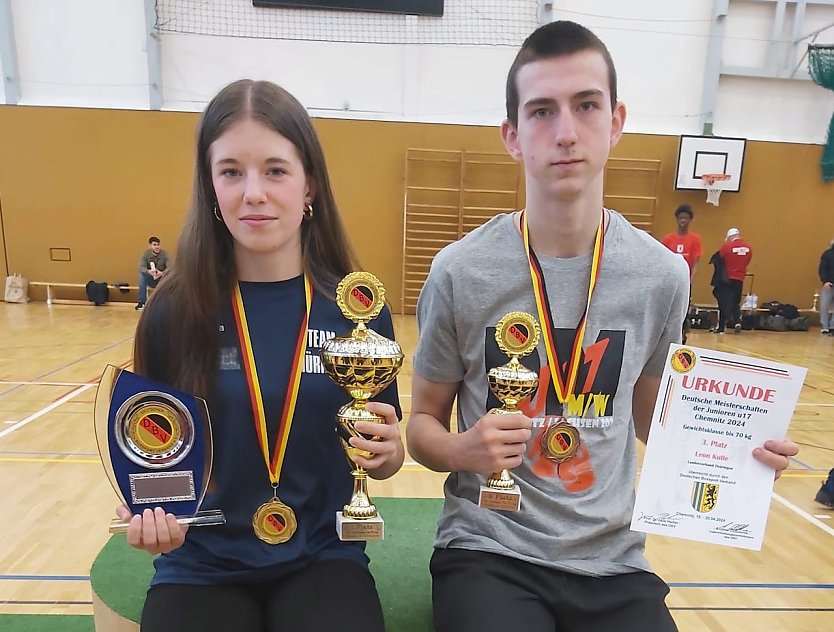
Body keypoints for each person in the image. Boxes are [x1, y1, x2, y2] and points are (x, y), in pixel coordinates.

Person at [406, 21, 799, 632]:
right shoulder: (462, 271)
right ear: (512, 136)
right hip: (491, 550)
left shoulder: (662, 275)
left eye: (585, 106)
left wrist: (733, 449)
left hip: (614, 561)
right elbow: (421, 425)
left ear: (615, 121)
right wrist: (462, 448)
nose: (565, 132)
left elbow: (650, 417)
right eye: (541, 112)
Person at [117, 80, 404, 632]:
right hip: (200, 564)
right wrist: (150, 514)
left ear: (309, 183)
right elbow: (151, 456)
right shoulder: (172, 311)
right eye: (231, 171)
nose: (253, 192)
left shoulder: (358, 309)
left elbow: (382, 457)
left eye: (275, 170)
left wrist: (386, 454)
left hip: (324, 557)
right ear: (210, 185)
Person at [661, 203, 702, 342]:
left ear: (690, 220)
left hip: (685, 282)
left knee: (683, 310)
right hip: (670, 281)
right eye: (681, 218)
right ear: (677, 219)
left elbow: (696, 262)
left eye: (686, 218)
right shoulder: (668, 239)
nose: (683, 221)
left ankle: (682, 333)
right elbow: (663, 260)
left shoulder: (695, 239)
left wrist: (690, 281)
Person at [715, 227, 753, 334]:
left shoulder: (727, 247)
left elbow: (719, 259)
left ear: (730, 237)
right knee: (736, 302)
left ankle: (721, 327)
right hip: (740, 279)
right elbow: (747, 260)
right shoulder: (748, 248)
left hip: (727, 279)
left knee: (724, 302)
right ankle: (737, 321)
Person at [136, 236, 170, 310]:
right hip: (150, 278)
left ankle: (167, 303)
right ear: (150, 246)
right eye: (154, 245)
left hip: (161, 279)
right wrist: (149, 272)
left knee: (170, 276)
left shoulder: (165, 254)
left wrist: (162, 273)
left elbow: (170, 268)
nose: (157, 247)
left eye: (158, 244)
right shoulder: (145, 254)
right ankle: (142, 302)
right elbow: (141, 267)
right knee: (141, 276)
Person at [818, 239, 834, 334]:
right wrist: (825, 281)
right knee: (824, 305)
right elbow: (822, 268)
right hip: (829, 284)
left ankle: (833, 326)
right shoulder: (827, 254)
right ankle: (825, 326)